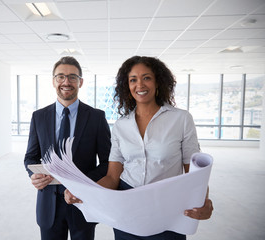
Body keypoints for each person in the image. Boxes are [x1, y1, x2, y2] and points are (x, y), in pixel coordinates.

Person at [65, 56, 213, 240]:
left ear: (158, 81)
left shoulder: (181, 119)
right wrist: (85, 192)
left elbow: (194, 173)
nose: (140, 85)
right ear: (127, 86)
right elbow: (112, 177)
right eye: (133, 80)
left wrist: (203, 200)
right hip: (127, 208)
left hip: (168, 206)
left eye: (147, 78)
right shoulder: (121, 125)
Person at [24, 56, 111, 240]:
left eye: (72, 77)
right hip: (48, 202)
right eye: (60, 76)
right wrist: (33, 175)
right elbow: (30, 157)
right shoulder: (38, 117)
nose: (66, 82)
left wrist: (82, 184)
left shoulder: (96, 117)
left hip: (83, 201)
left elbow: (107, 163)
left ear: (81, 82)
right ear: (53, 81)